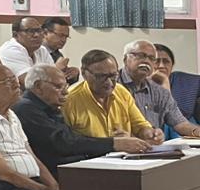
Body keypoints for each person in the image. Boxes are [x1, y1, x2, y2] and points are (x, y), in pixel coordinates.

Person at [13, 65, 148, 175]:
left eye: (65, 87)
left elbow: (71, 139)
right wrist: (113, 144)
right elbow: (63, 142)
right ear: (38, 87)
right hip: (57, 174)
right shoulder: (25, 108)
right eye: (58, 87)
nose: (65, 92)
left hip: (73, 167)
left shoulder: (50, 107)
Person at [62, 49, 161, 143]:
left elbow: (139, 126)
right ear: (84, 73)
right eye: (101, 76)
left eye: (113, 76)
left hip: (123, 157)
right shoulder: (69, 100)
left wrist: (150, 134)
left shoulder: (121, 92)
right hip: (88, 158)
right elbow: (67, 143)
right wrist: (111, 144)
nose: (109, 82)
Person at [118, 40, 200, 137]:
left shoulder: (159, 91)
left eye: (152, 58)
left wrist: (196, 131)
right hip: (120, 146)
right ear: (125, 59)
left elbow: (180, 123)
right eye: (140, 56)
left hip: (154, 148)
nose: (146, 61)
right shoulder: (111, 85)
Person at [0, 17, 64, 80]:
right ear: (15, 34)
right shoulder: (10, 51)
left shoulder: (42, 50)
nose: (36, 35)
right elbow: (31, 83)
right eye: (30, 31)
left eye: (39, 30)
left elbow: (55, 80)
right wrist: (57, 70)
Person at [155, 42, 200, 125]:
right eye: (156, 61)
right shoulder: (137, 86)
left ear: (172, 65)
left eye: (166, 61)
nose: (161, 66)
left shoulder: (185, 82)